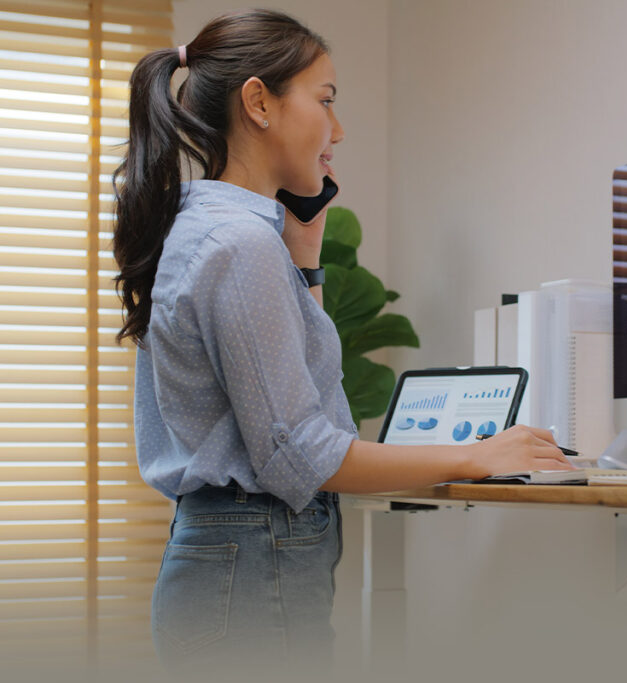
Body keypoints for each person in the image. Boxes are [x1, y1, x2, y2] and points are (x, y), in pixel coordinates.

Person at [111, 9, 573, 678]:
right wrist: (478, 455)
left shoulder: (214, 228)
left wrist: (304, 253)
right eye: (325, 101)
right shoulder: (238, 246)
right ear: (259, 103)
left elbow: (298, 399)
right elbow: (302, 452)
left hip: (234, 562)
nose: (339, 129)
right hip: (251, 563)